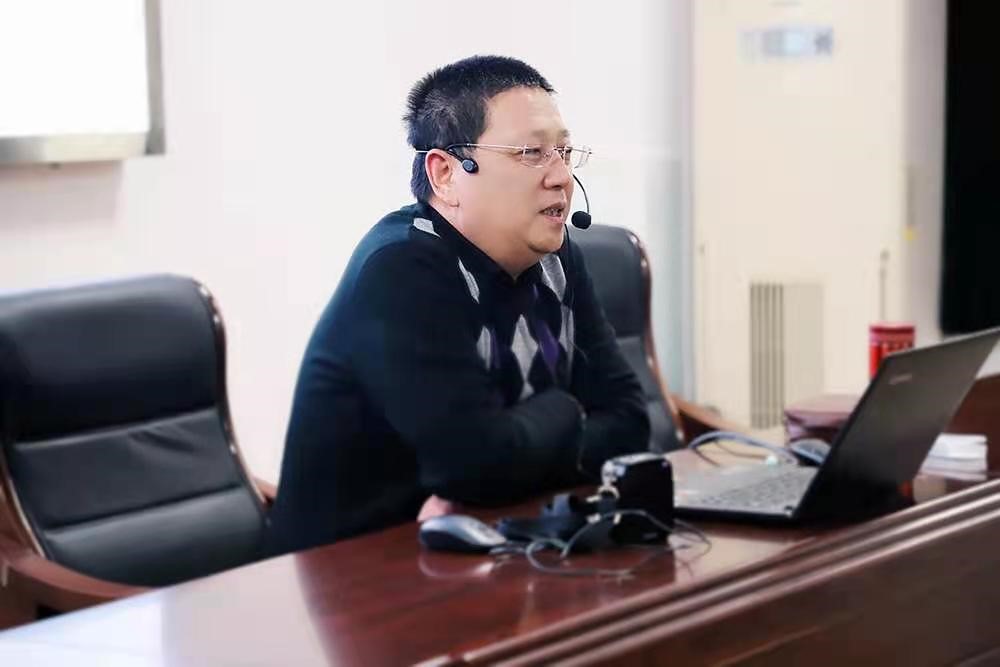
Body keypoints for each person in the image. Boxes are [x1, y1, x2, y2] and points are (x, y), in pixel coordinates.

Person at [264, 55, 649, 557]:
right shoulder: (401, 269)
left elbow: (630, 422)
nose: (560, 176)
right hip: (355, 570)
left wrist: (511, 457)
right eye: (531, 152)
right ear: (445, 174)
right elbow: (475, 465)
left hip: (493, 545)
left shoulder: (556, 255)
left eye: (564, 151)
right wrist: (568, 408)